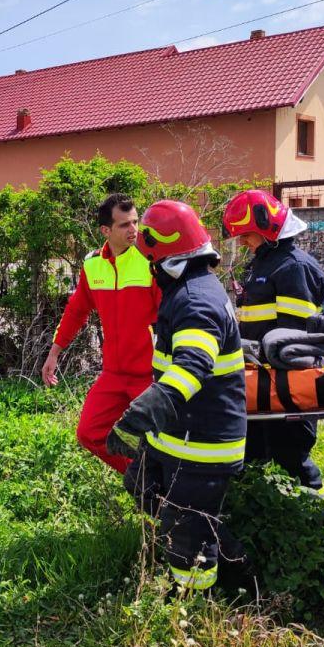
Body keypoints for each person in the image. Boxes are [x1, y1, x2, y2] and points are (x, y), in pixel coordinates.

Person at [109, 200, 248, 593]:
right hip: (175, 436)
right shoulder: (190, 289)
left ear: (165, 259)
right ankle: (212, 549)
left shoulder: (195, 300)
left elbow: (193, 365)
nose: (150, 270)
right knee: (141, 486)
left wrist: (144, 411)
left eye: (151, 262)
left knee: (188, 532)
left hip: (202, 444)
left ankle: (194, 598)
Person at [41, 193, 161, 473]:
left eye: (136, 222)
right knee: (89, 433)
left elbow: (169, 316)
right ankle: (140, 478)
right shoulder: (93, 265)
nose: (134, 230)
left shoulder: (150, 261)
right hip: (113, 374)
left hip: (151, 375)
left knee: (162, 443)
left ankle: (160, 489)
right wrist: (54, 352)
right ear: (106, 230)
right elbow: (75, 311)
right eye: (124, 225)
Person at [223, 190, 324, 496]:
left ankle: (318, 511)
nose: (243, 242)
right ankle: (263, 511)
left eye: (247, 235)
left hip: (289, 380)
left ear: (268, 230)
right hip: (263, 377)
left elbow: (297, 336)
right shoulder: (264, 264)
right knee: (253, 450)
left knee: (291, 455)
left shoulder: (293, 267)